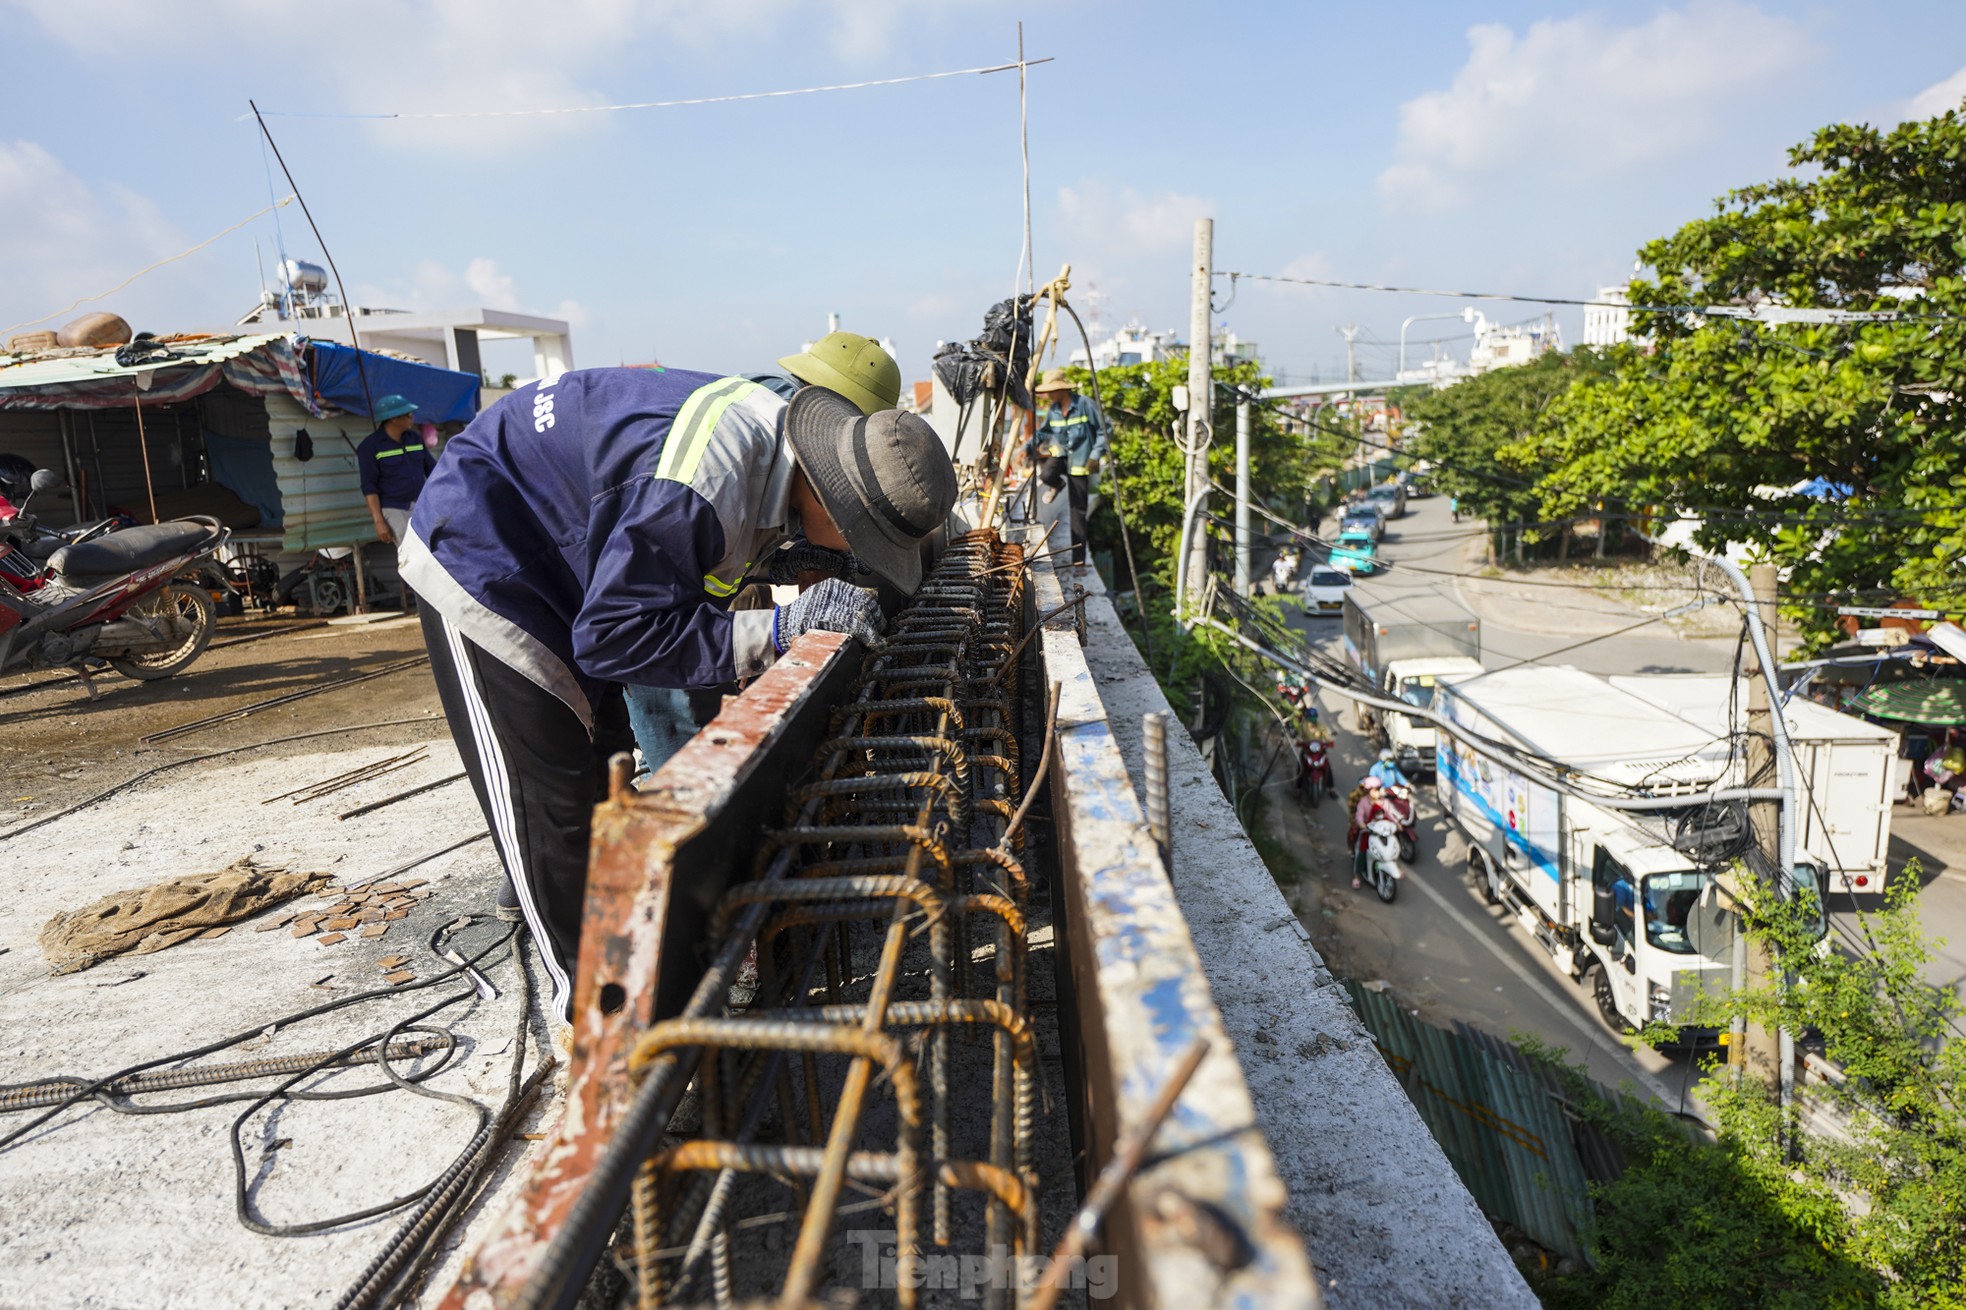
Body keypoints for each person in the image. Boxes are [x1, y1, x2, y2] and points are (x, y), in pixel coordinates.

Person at [398, 365, 957, 1020]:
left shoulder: (768, 449)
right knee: (551, 804)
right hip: (487, 553)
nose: (860, 555)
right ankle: (592, 1032)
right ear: (833, 501)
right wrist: (777, 626)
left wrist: (797, 570)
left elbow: (683, 570)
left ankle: (636, 978)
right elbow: (614, 637)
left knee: (602, 774)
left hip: (572, 557)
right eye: (863, 543)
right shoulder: (707, 482)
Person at [619, 332, 904, 777]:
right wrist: (781, 623)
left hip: (687, 588)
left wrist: (780, 563)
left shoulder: (770, 408)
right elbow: (650, 619)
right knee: (684, 750)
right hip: (657, 603)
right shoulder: (749, 438)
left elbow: (738, 541)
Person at [1022, 368, 1108, 567]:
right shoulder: (1053, 410)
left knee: (1077, 513)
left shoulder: (1085, 405)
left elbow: (1104, 430)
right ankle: (1057, 485)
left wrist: (1095, 455)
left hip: (1080, 463)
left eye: (1052, 391)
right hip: (1061, 455)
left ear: (1062, 389)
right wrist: (1026, 448)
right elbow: (1043, 433)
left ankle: (1078, 562)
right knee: (1046, 474)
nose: (1049, 395)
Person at [357, 394, 437, 548]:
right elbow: (369, 487)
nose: (412, 418)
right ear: (393, 418)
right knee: (411, 554)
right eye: (408, 415)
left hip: (421, 506)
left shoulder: (415, 439)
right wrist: (378, 521)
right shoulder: (370, 447)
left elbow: (433, 471)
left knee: (431, 553)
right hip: (395, 509)